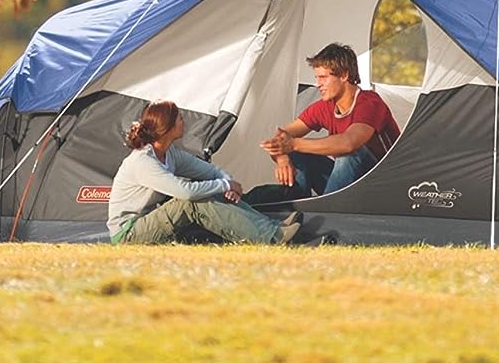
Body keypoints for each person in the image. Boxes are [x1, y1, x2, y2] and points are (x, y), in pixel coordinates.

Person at [108, 100, 306, 245]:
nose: (182, 121)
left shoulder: (170, 153)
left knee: (210, 189)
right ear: (167, 128)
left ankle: (272, 227)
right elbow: (186, 193)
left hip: (154, 220)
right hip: (129, 234)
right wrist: (226, 184)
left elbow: (210, 171)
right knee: (189, 202)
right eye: (178, 118)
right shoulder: (143, 161)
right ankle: (271, 237)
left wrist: (226, 183)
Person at [260, 43, 400, 196]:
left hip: (382, 186)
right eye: (316, 78)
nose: (318, 84)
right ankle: (295, 208)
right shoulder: (325, 106)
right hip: (349, 184)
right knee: (295, 155)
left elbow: (349, 143)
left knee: (350, 154)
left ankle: (326, 213)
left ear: (344, 75)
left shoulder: (370, 103)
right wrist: (282, 158)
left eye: (323, 77)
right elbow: (281, 137)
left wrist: (293, 144)